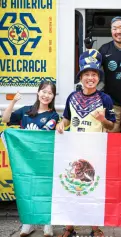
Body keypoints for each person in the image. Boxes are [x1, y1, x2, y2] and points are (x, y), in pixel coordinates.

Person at [56, 49, 116, 237]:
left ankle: (95, 227)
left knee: (93, 190)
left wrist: (103, 120)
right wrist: (61, 125)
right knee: (72, 189)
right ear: (81, 77)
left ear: (99, 78)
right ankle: (69, 226)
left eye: (94, 74)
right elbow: (66, 119)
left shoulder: (105, 99)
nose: (90, 78)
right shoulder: (72, 97)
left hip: (95, 152)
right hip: (73, 151)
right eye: (87, 74)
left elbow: (112, 126)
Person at [2, 81, 59, 237]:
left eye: (50, 93)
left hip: (43, 161)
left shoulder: (53, 115)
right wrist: (13, 101)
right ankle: (27, 224)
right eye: (44, 91)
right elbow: (5, 119)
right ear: (38, 92)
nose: (46, 95)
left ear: (53, 96)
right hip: (24, 161)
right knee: (26, 189)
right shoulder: (25, 111)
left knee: (45, 189)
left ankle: (48, 224)